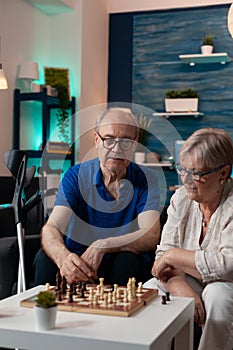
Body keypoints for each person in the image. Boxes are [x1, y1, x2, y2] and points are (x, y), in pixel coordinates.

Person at [34, 107, 161, 286]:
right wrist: (63, 258)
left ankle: (117, 313)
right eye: (108, 139)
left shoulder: (147, 179)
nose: (116, 149)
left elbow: (150, 235)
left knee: (127, 260)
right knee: (45, 258)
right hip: (78, 258)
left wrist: (103, 244)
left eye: (125, 141)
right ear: (96, 140)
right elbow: (52, 228)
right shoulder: (76, 176)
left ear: (135, 143)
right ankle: (47, 312)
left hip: (120, 260)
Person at [145, 128, 233, 350]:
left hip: (228, 285)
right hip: (189, 279)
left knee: (217, 295)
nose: (186, 180)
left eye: (197, 173)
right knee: (150, 289)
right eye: (182, 169)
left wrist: (175, 256)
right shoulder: (181, 198)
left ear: (223, 173)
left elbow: (227, 265)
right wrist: (177, 283)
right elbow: (160, 258)